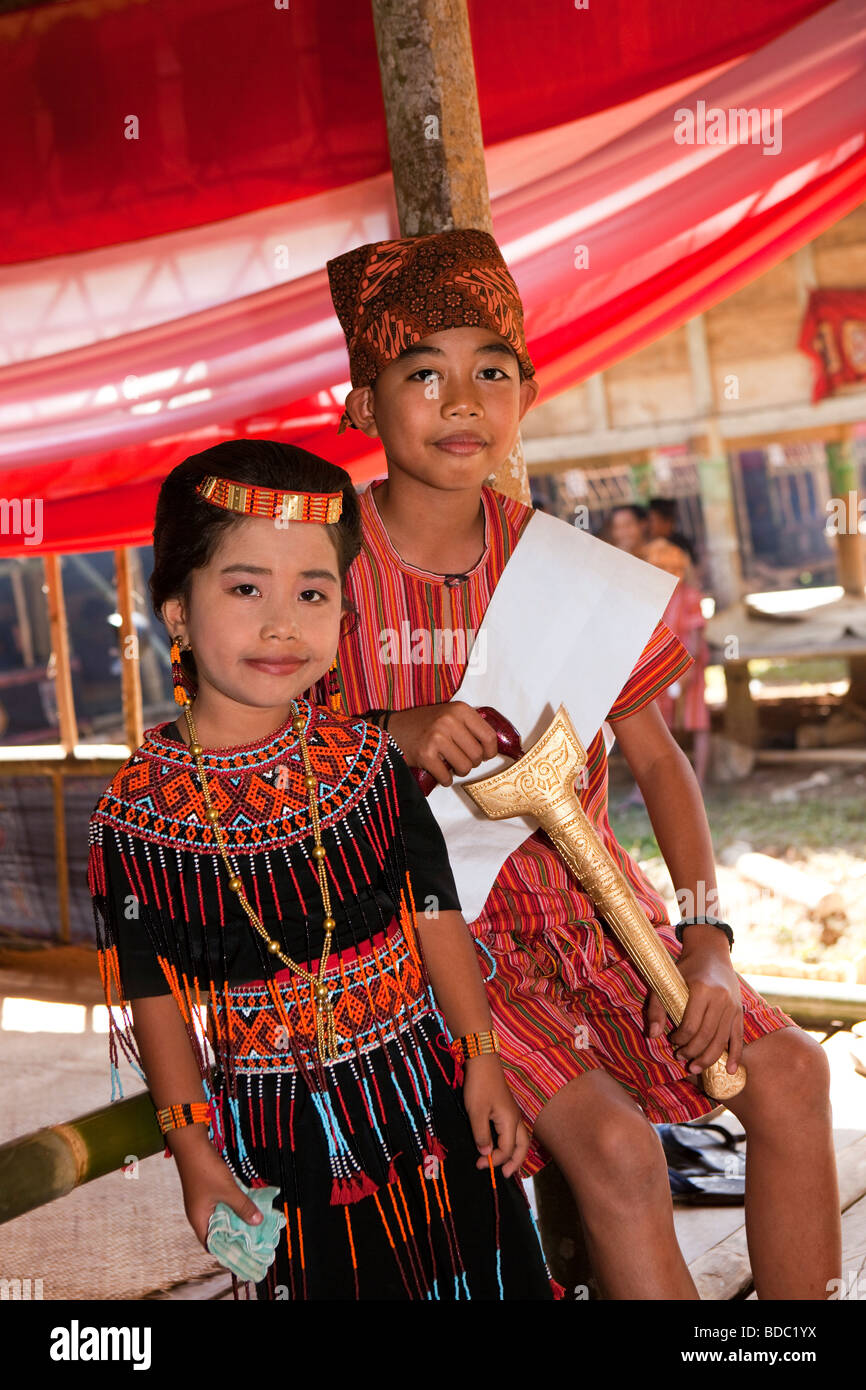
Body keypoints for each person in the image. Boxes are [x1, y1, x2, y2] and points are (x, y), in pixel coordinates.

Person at [311, 228, 841, 1300]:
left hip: (595, 910)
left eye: (490, 373)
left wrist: (703, 945)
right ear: (362, 402)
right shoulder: (314, 578)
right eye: (423, 373)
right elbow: (257, 765)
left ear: (525, 393)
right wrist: (388, 736)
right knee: (615, 1151)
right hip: (428, 938)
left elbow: (659, 767)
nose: (462, 400)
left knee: (790, 1071)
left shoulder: (570, 572)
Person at [87, 438, 556, 1302]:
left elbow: (435, 915)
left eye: (313, 591)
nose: (282, 623)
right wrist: (194, 1154)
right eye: (245, 588)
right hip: (282, 1140)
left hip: (430, 1106)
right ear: (178, 614)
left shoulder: (369, 765)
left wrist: (483, 1055)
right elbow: (153, 998)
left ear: (344, 612)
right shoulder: (136, 819)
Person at [644, 536, 711, 789]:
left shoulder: (690, 596)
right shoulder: (653, 599)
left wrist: (689, 670)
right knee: (663, 726)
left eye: (675, 570)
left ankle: (700, 781)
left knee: (697, 720)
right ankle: (669, 782)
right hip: (660, 670)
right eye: (663, 569)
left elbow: (695, 635)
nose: (671, 575)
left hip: (688, 669)